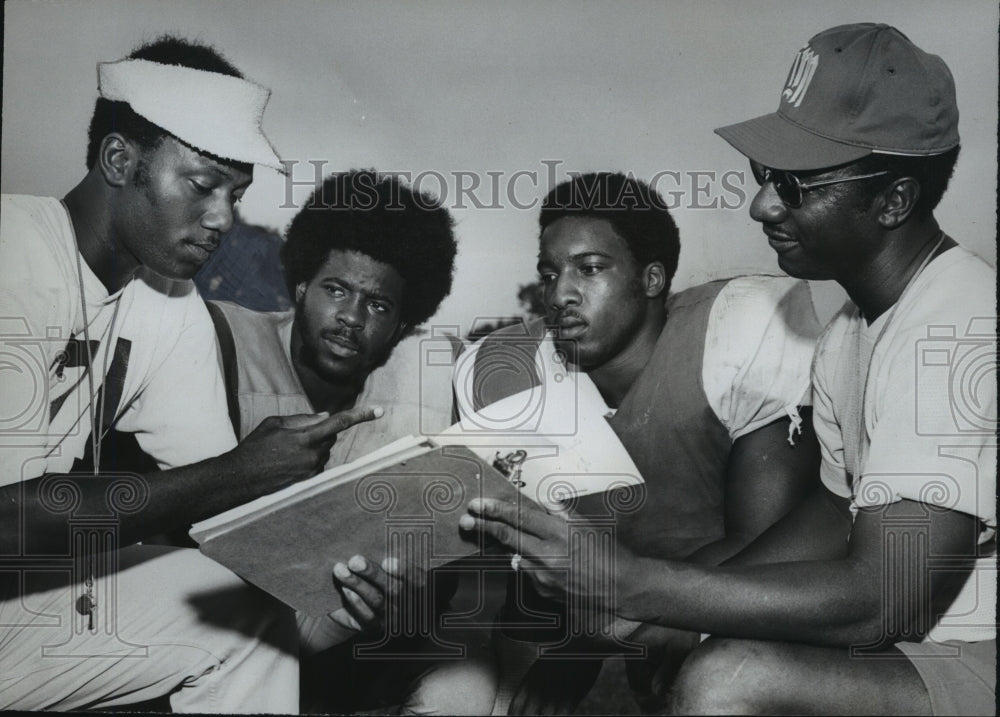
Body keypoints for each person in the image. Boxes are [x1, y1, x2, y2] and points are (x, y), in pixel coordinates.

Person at [463, 24, 997, 716]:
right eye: (766, 177)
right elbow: (836, 511)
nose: (763, 205)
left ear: (893, 200)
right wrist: (673, 611)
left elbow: (880, 602)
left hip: (974, 648)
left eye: (799, 186)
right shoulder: (849, 330)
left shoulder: (957, 325)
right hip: (920, 649)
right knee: (702, 644)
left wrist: (637, 585)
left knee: (729, 674)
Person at [0, 37, 378, 712]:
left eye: (236, 195)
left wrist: (345, 573)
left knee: (245, 611)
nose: (223, 219)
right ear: (120, 160)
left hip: (20, 605)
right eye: (203, 185)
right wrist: (239, 469)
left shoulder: (171, 306)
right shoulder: (13, 252)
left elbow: (230, 517)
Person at [454, 171, 824, 713]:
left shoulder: (737, 329)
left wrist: (658, 624)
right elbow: (525, 562)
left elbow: (772, 541)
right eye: (550, 272)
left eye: (591, 268)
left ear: (652, 279)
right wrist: (571, 649)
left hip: (737, 594)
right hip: (592, 603)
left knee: (722, 678)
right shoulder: (504, 369)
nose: (560, 293)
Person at [206, 169, 497, 714]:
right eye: (336, 289)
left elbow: (437, 572)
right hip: (236, 629)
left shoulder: (420, 378)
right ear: (300, 288)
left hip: (366, 643)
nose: (351, 318)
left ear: (402, 323)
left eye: (378, 305)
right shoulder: (228, 347)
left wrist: (409, 602)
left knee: (470, 684)